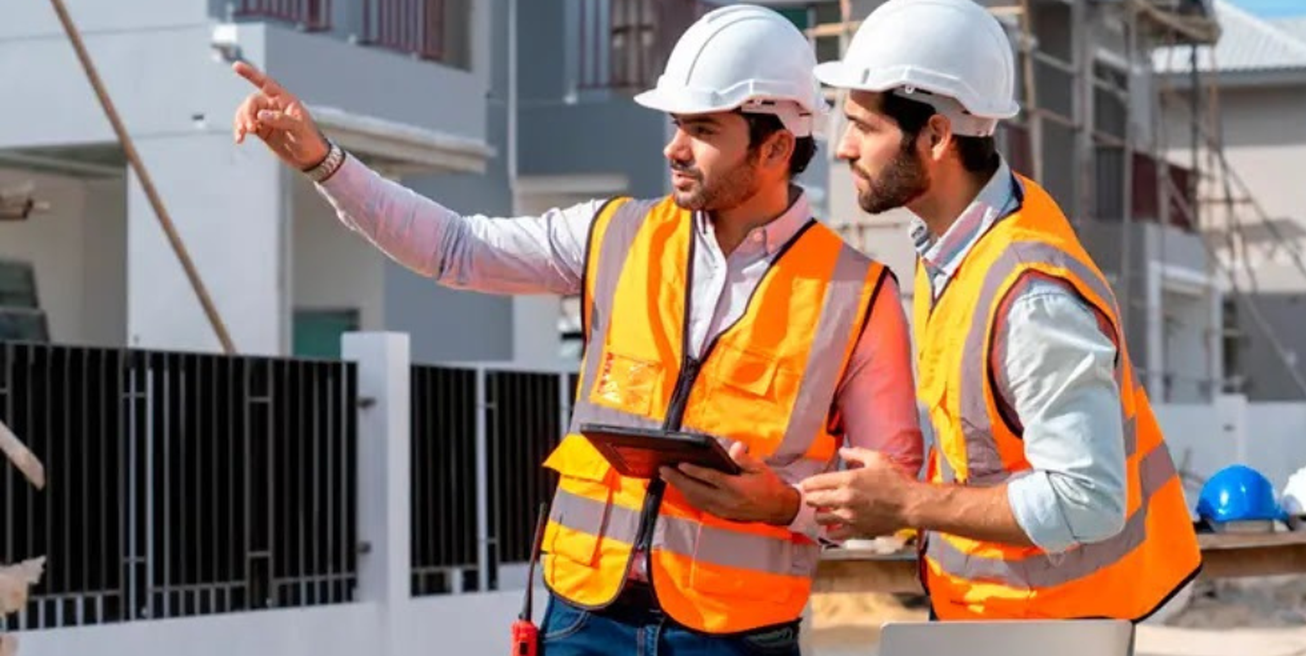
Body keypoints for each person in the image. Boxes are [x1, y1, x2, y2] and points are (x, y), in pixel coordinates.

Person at [231, 4, 923, 654]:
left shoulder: (859, 294)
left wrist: (784, 505)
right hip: (582, 617)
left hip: (733, 635)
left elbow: (889, 492)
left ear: (774, 148)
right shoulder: (613, 234)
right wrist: (323, 162)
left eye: (703, 131)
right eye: (676, 125)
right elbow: (456, 249)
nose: (674, 149)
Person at [798, 0, 1201, 622]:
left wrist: (907, 503)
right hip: (994, 616)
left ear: (936, 136)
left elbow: (1088, 500)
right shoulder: (959, 245)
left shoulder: (1031, 296)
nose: (844, 148)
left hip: (1052, 624)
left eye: (863, 126)